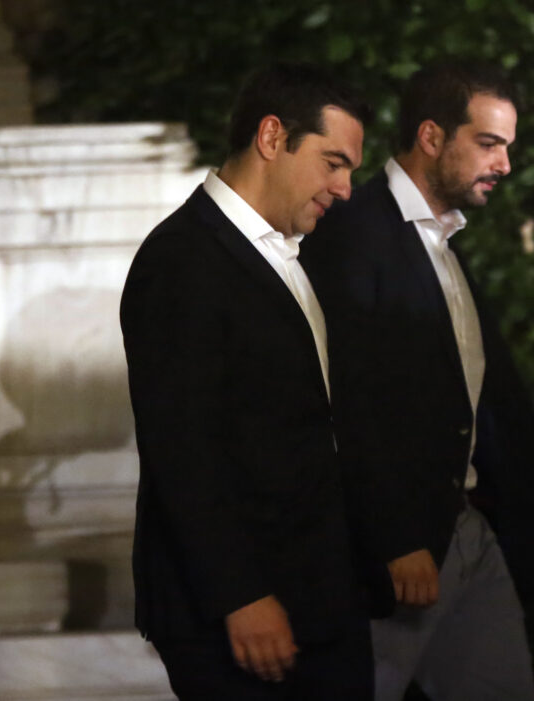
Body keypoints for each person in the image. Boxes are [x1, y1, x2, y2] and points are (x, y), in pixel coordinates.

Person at [300, 61, 534, 701]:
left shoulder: (443, 243)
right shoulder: (355, 232)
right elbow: (345, 400)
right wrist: (394, 538)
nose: (504, 165)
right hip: (397, 552)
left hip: (468, 532)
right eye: (489, 144)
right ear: (432, 136)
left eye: (507, 147)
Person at [120, 63, 372, 700]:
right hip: (242, 615)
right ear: (271, 137)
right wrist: (240, 595)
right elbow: (182, 446)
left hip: (321, 598)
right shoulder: (181, 260)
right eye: (333, 163)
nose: (345, 189)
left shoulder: (295, 251)